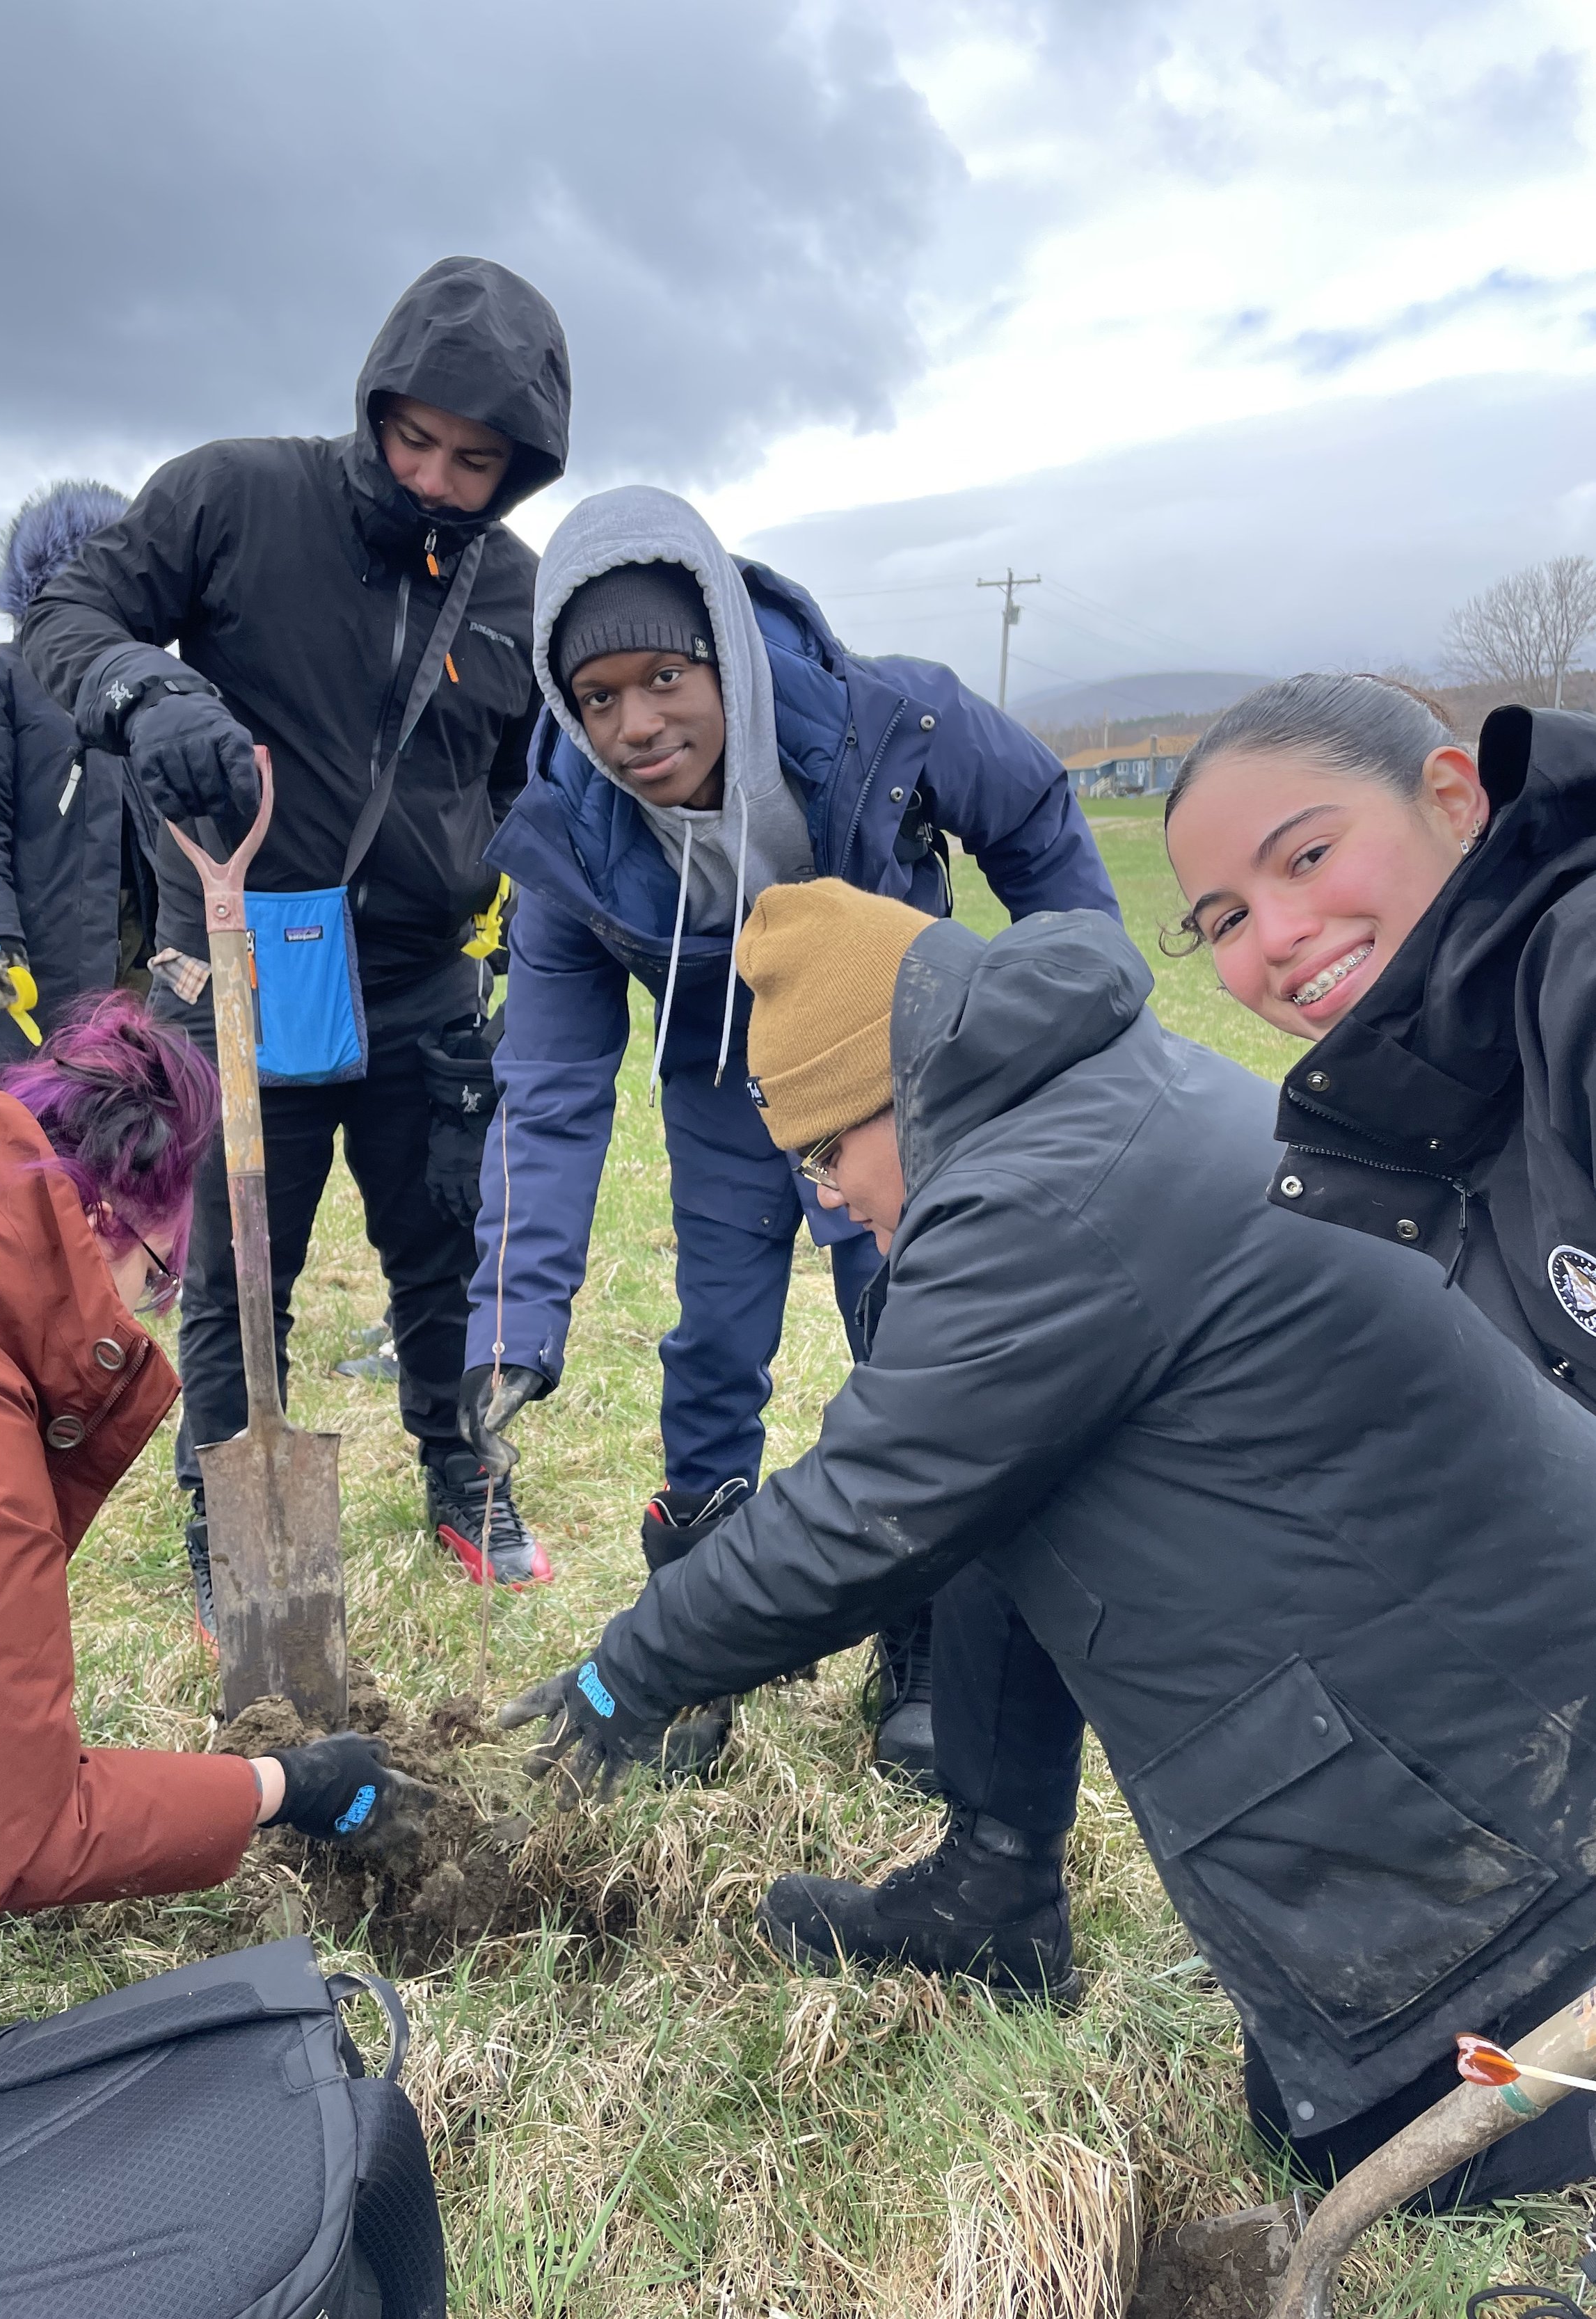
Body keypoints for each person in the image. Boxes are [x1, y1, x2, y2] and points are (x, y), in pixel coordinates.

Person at [500, 877, 1596, 2210]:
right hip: (1483, 1627)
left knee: (1354, 2150)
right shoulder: (1089, 1094)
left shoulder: (1044, 1196)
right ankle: (994, 1885)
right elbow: (932, 1471)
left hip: (1518, 1746)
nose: (832, 1201)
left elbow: (866, 1509)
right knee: (998, 1490)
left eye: (826, 1154)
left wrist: (634, 1667)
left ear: (889, 1089)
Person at [456, 484, 1119, 1780]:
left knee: (922, 1330)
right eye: (597, 698)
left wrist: (1068, 991)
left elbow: (1033, 811)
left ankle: (928, 1629)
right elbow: (547, 1083)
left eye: (664, 676)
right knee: (714, 1346)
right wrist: (511, 1324)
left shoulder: (887, 714)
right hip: (722, 1085)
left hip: (905, 1074)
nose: (638, 724)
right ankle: (699, 1649)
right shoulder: (570, 846)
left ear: (725, 650)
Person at [22, 257, 572, 1627]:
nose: (436, 479)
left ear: (518, 468)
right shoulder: (231, 496)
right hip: (236, 967)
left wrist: (502, 887)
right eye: (415, 440)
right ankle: (236, 1524)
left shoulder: (516, 592)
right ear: (377, 404)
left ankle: (464, 1474)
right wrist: (145, 690)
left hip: (419, 989)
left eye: (475, 460)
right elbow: (66, 620)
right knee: (236, 1268)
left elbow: (527, 774)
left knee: (441, 1248)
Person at [0, 995, 410, 2090]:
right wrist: (281, 1784)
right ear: (103, 1209)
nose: (153, 1317)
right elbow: (24, 1831)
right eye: (159, 1280)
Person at [1160, 675, 1596, 1412]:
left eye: (1307, 857)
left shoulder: (1578, 980)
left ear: (1452, 801)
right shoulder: (1416, 1112)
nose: (1275, 937)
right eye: (1226, 922)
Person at [0, 479, 160, 1091]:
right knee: (23, 1163)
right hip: (36, 977)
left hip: (136, 982)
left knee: (131, 1163)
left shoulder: (141, 689)